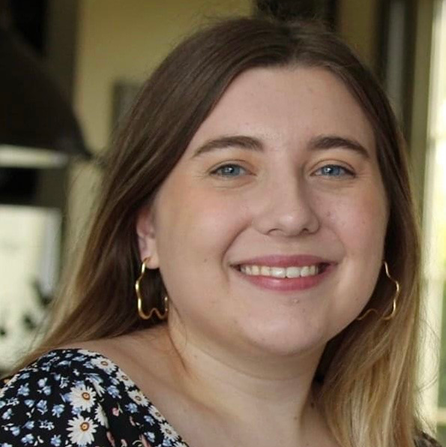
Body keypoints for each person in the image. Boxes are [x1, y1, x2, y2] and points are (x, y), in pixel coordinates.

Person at [0, 16, 441, 447]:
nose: (290, 215)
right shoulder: (56, 416)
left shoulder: (406, 440)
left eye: (333, 168)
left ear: (390, 220)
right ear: (147, 228)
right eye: (231, 168)